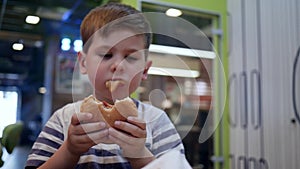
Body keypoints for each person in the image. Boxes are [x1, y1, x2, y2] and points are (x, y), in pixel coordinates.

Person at [25, 2, 186, 169]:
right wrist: (70, 151)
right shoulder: (64, 119)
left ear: (145, 69)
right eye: (106, 55)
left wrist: (140, 155)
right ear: (83, 63)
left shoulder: (156, 121)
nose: (118, 65)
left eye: (130, 57)